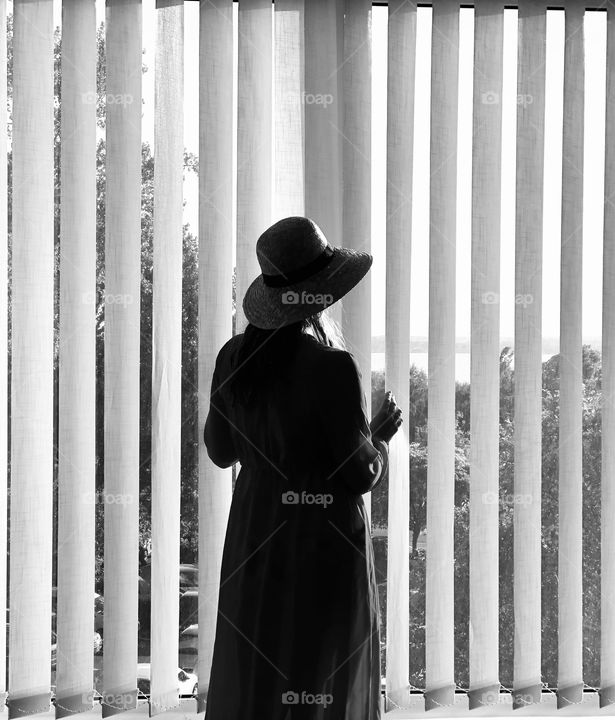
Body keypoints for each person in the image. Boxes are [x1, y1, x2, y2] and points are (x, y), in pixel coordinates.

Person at [203, 216, 403, 720]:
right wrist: (376, 438)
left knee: (260, 669)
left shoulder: (232, 359)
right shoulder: (332, 367)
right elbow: (359, 476)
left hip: (256, 534)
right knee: (320, 673)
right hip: (322, 542)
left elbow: (220, 451)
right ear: (321, 295)